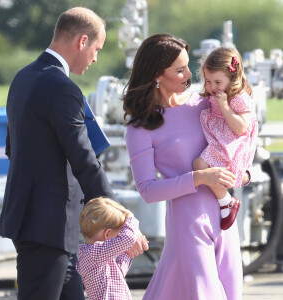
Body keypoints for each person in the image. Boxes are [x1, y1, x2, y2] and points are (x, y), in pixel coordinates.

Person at [0, 7, 147, 300]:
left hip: (34, 220)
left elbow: (12, 148)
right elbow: (84, 160)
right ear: (82, 41)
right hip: (48, 225)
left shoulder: (22, 78)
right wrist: (122, 219)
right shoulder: (62, 88)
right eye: (97, 49)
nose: (95, 58)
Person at [123, 33, 243, 300]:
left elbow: (240, 137)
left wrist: (242, 173)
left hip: (225, 215)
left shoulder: (205, 105)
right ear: (157, 74)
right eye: (179, 70)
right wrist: (199, 178)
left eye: (188, 66)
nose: (189, 75)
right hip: (188, 221)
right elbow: (148, 190)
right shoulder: (140, 128)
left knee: (232, 293)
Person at [193, 47, 258, 230]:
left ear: (232, 78)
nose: (212, 87)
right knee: (206, 170)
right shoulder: (215, 94)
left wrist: (224, 106)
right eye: (208, 81)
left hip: (231, 142)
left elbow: (241, 128)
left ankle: (226, 201)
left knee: (199, 165)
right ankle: (224, 201)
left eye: (218, 82)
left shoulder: (238, 98)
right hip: (220, 139)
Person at [76, 197, 140, 300]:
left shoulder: (95, 254)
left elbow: (118, 272)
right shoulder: (93, 253)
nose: (119, 238)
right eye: (119, 234)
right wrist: (130, 218)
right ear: (108, 233)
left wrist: (128, 252)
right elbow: (127, 239)